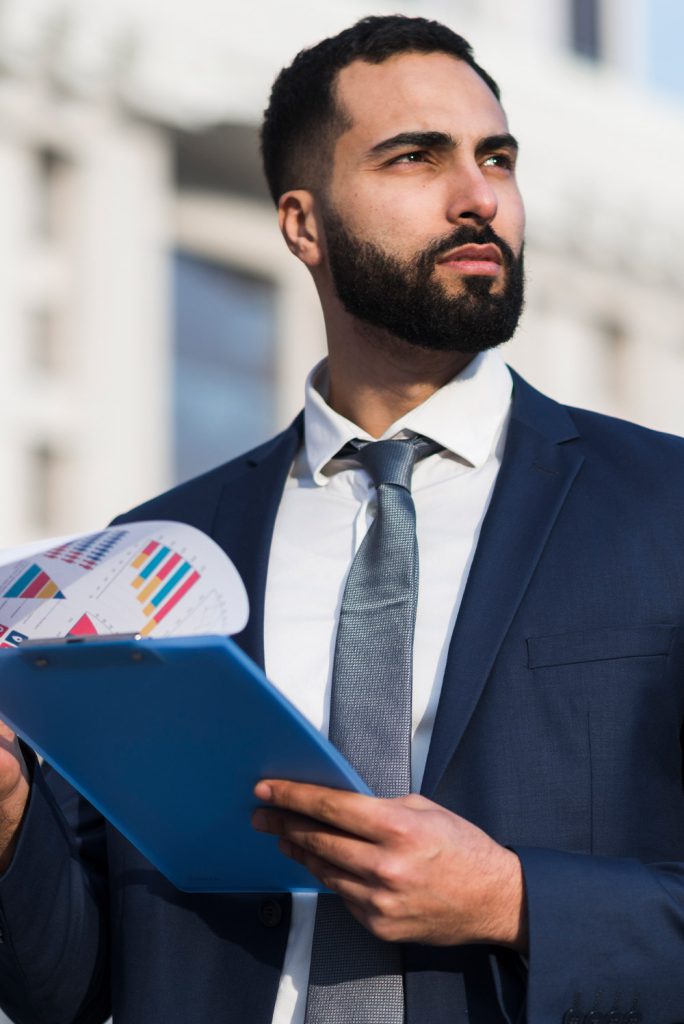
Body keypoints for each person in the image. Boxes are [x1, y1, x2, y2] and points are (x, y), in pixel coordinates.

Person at [1, 13, 683, 1024]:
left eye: (496, 157)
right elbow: (69, 980)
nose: (478, 196)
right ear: (303, 224)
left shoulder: (663, 510)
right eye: (416, 157)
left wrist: (516, 900)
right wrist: (12, 818)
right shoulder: (153, 558)